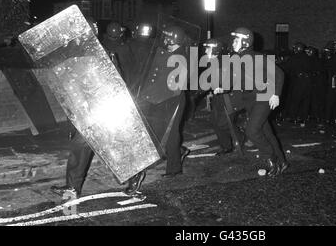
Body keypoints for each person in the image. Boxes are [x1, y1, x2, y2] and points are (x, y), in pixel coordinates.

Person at [51, 20, 145, 198]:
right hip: (87, 111)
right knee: (81, 147)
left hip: (101, 110)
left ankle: (134, 174)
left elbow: (115, 82)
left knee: (109, 146)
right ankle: (72, 187)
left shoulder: (103, 54)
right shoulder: (78, 53)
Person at [214, 27, 288, 177]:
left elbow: (279, 74)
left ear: (245, 42)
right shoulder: (236, 59)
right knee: (266, 132)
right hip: (249, 99)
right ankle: (283, 161)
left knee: (252, 130)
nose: (233, 42)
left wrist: (276, 94)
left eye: (236, 40)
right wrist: (223, 88)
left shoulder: (256, 57)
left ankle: (271, 159)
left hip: (264, 96)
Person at [135, 25, 191, 178]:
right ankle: (179, 152)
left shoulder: (181, 57)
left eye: (167, 37)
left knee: (171, 135)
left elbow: (171, 84)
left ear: (174, 39)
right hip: (158, 99)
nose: (165, 40)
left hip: (172, 100)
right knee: (155, 132)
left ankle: (174, 169)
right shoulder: (168, 52)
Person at [203, 38, 244, 156]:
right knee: (215, 121)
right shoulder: (212, 62)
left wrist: (223, 87)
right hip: (219, 96)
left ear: (215, 50)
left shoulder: (224, 62)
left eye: (208, 49)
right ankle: (226, 146)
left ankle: (240, 136)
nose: (205, 51)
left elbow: (231, 78)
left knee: (223, 122)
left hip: (229, 96)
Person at [284, 42, 311, 126]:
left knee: (295, 99)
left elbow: (287, 67)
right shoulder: (308, 57)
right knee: (306, 100)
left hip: (298, 81)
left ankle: (293, 117)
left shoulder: (294, 58)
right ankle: (303, 117)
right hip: (308, 81)